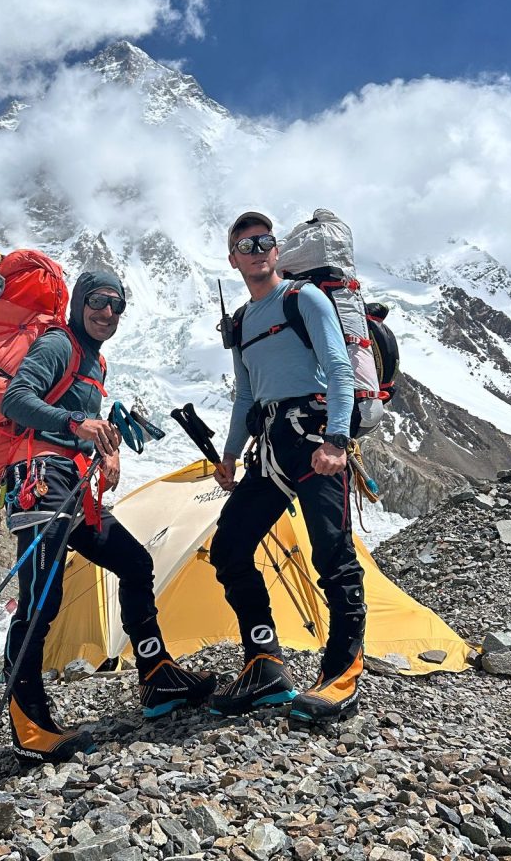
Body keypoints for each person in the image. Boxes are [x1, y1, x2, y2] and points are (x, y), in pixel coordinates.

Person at [0, 270, 216, 765]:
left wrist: (103, 450)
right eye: (99, 302)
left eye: (118, 306)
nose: (108, 313)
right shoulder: (59, 344)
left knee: (135, 564)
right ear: (79, 302)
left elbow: (74, 424)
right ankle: (27, 715)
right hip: (40, 482)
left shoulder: (94, 361)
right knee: (42, 596)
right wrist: (79, 424)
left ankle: (157, 676)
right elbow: (15, 399)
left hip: (73, 488)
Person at [209, 212, 366, 726]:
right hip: (271, 445)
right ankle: (265, 664)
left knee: (333, 554)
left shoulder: (303, 298)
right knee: (230, 546)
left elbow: (340, 366)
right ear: (233, 260)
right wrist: (230, 455)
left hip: (315, 433)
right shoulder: (242, 322)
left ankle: (343, 673)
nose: (256, 250)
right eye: (245, 245)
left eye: (264, 242)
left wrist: (338, 440)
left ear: (276, 251)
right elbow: (246, 395)